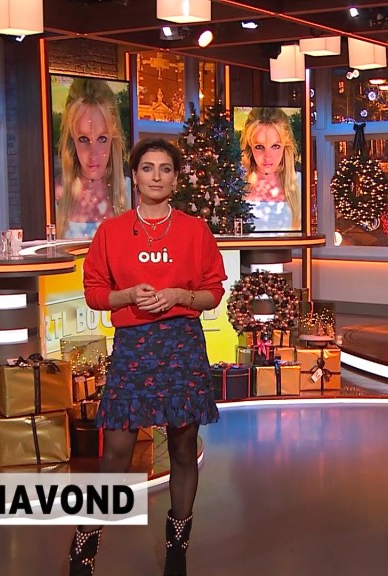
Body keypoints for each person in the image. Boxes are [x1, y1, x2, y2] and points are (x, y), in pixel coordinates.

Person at [69, 137, 227, 576]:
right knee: (116, 451)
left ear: (175, 179)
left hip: (181, 344)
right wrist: (126, 296)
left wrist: (180, 296)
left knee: (182, 447)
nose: (156, 176)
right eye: (147, 168)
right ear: (134, 177)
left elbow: (213, 291)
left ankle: (177, 551)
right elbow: (95, 292)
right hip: (134, 346)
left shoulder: (195, 230)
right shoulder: (111, 232)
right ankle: (83, 551)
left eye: (165, 169)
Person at [57, 78, 128, 239]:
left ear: (113, 138)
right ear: (72, 139)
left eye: (102, 138)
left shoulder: (131, 192)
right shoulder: (56, 196)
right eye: (83, 139)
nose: (93, 155)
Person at [241, 107, 302, 231]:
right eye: (259, 146)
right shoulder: (237, 185)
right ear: (249, 147)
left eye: (275, 146)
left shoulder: (299, 184)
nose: (267, 156)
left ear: (286, 146)